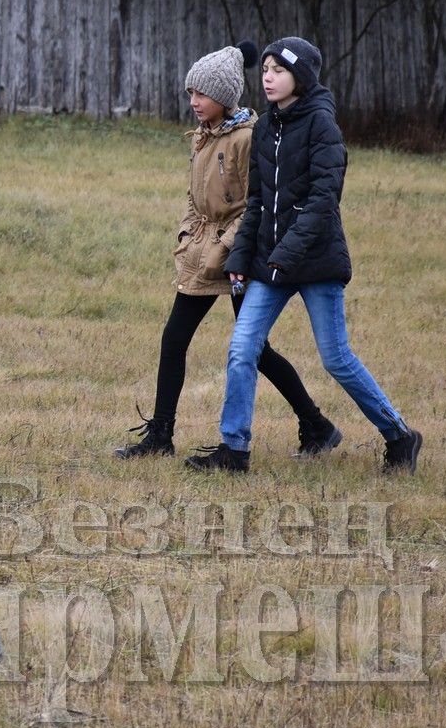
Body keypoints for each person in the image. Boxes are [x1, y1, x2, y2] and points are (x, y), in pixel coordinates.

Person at [187, 37, 423, 474]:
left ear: (302, 77)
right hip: (269, 263)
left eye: (279, 70)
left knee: (336, 358)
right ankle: (233, 451)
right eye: (265, 70)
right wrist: (240, 259)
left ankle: (400, 436)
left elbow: (322, 200)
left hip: (314, 263)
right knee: (242, 350)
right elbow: (256, 201)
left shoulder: (322, 125)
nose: (269, 77)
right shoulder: (264, 127)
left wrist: (285, 253)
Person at [114, 42, 340, 464]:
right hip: (203, 251)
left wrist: (224, 249)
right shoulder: (203, 136)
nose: (194, 102)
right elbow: (194, 196)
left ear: (225, 95)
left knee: (254, 349)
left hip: (238, 257)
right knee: (174, 339)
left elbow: (255, 202)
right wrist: (188, 233)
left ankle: (316, 425)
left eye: (202, 93)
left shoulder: (245, 137)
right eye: (191, 93)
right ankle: (160, 435)